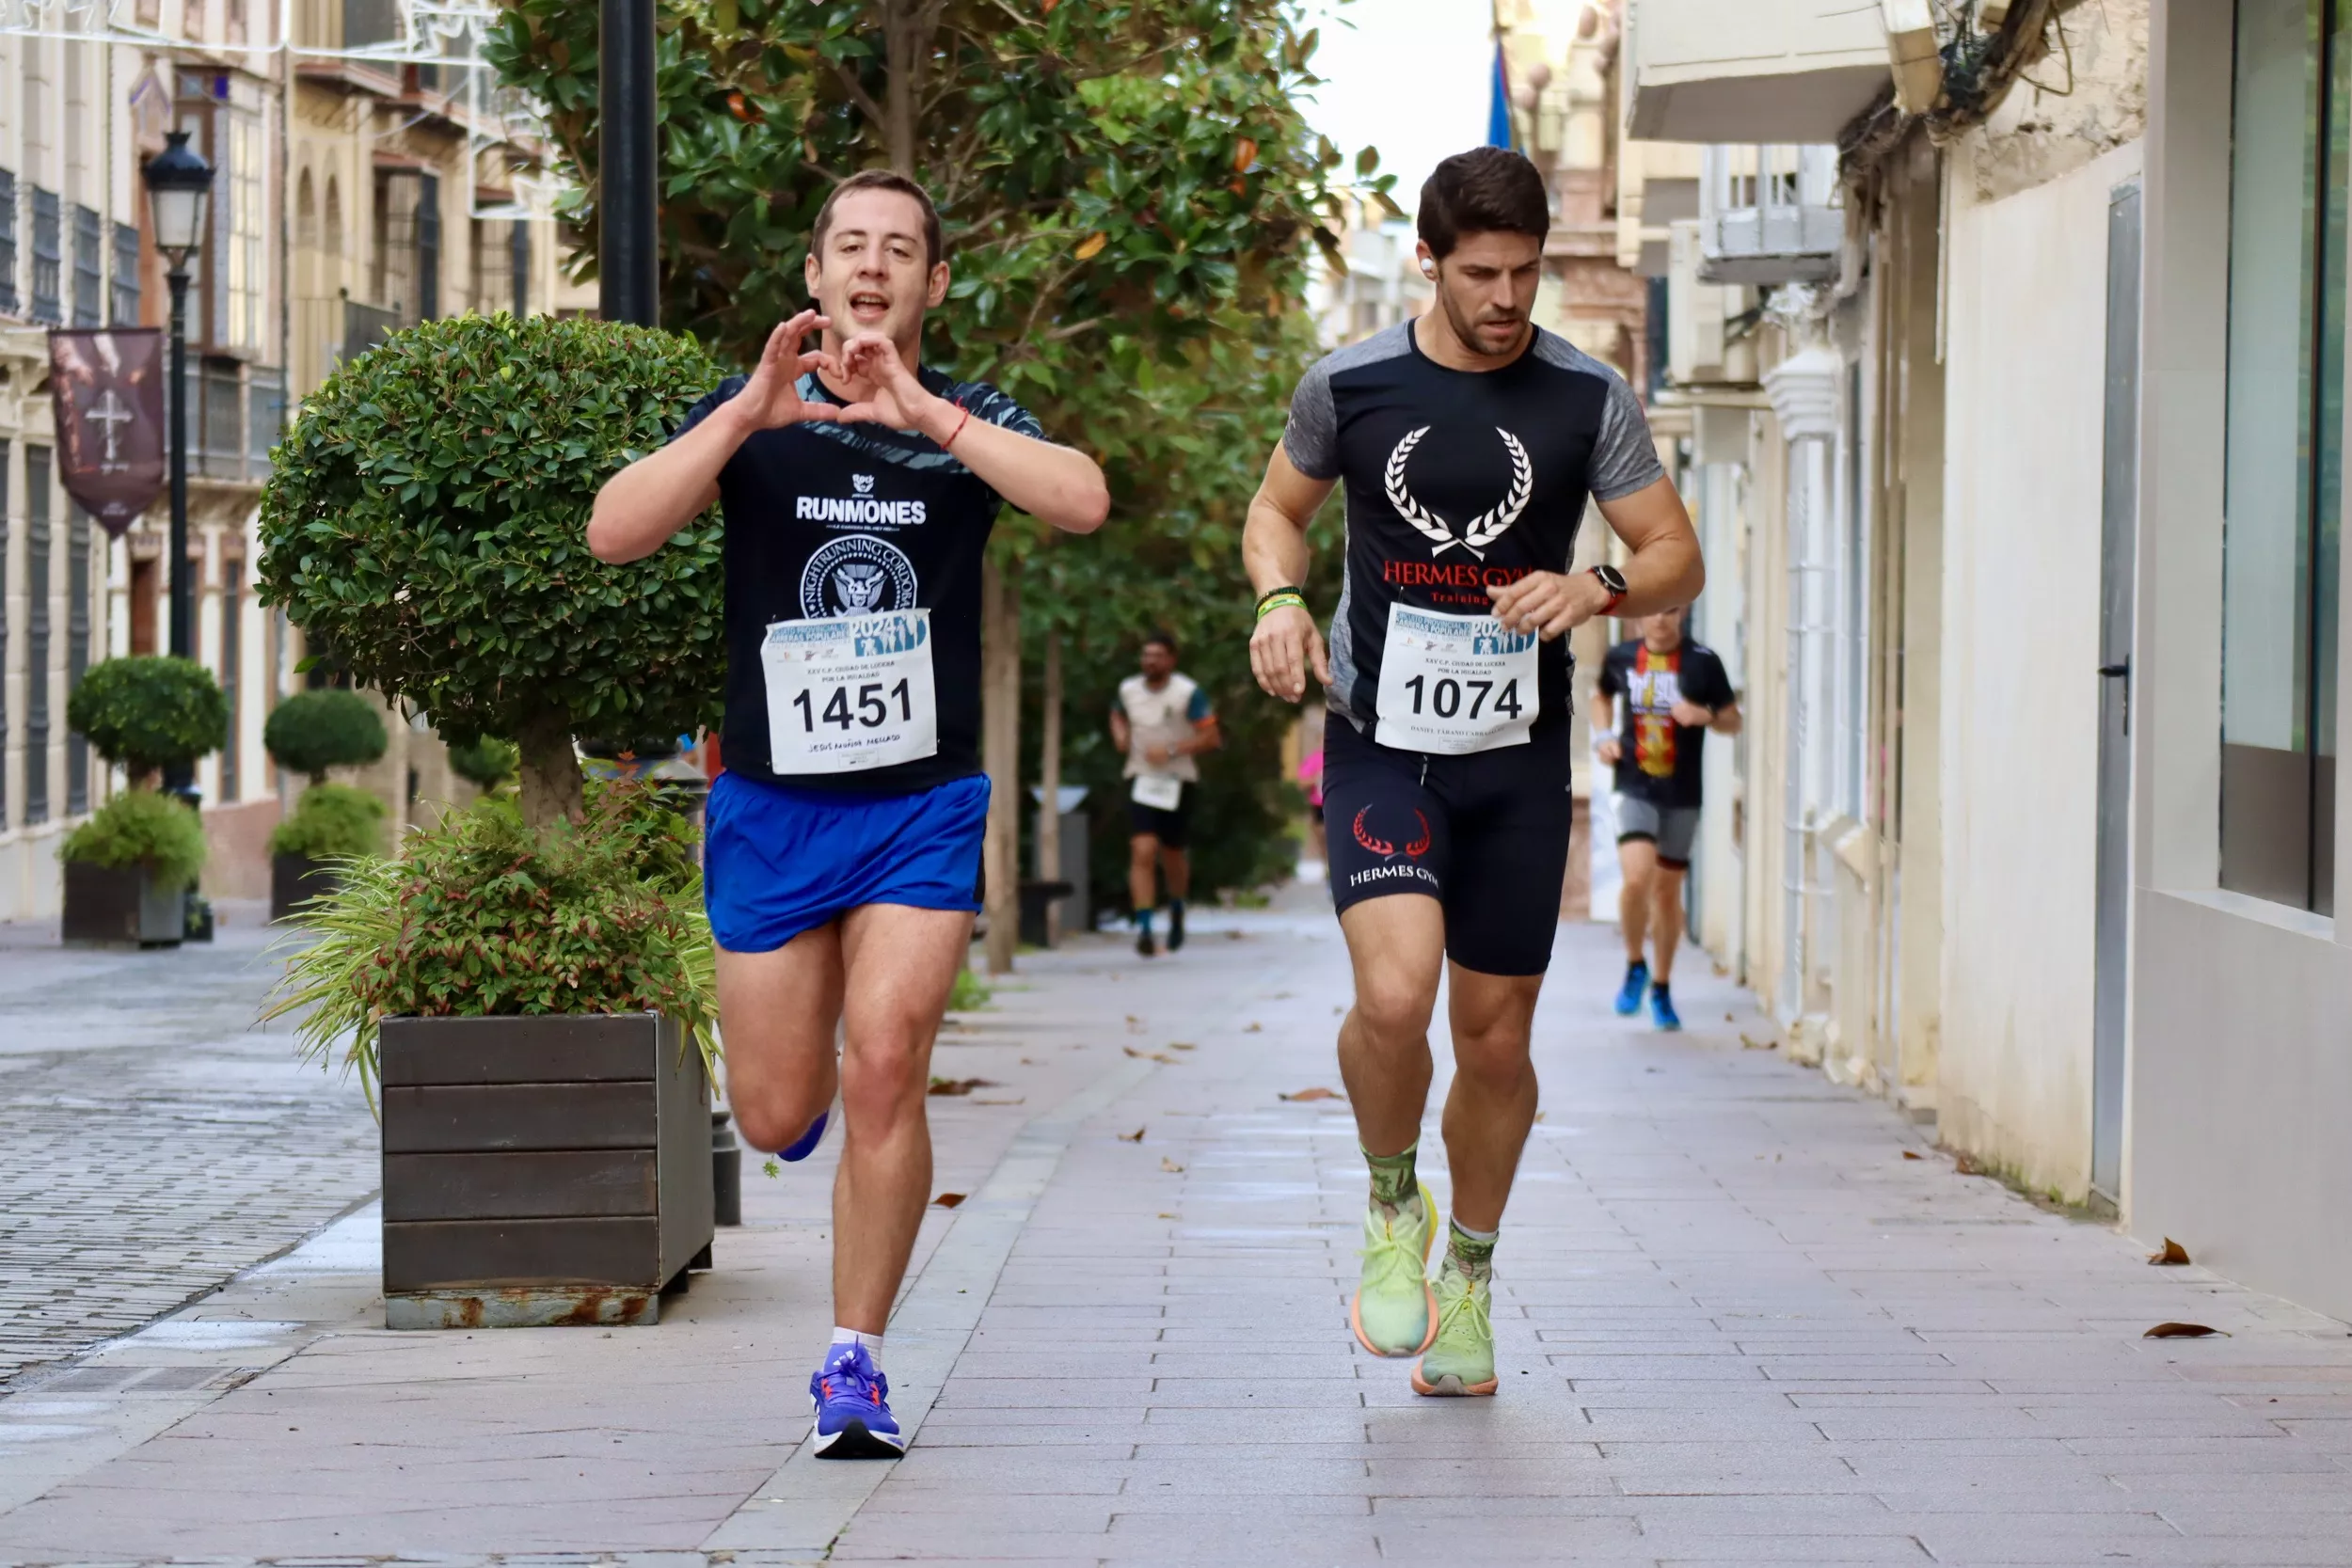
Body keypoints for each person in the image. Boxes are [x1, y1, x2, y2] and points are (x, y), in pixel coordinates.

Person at [587, 170, 1109, 1458]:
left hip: (921, 806)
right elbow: (613, 531)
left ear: (932, 285)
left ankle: (854, 1360)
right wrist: (745, 417)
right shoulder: (754, 414)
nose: (872, 267)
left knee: (887, 1058)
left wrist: (929, 416)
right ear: (813, 276)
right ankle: (803, 1092)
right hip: (771, 806)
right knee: (773, 1113)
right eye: (849, 247)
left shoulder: (965, 415)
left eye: (900, 251)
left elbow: (1084, 497)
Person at [1243, 147, 1703, 1399]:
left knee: (1495, 1043)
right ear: (1432, 263)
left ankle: (1472, 1276)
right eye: (1484, 274)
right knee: (1395, 998)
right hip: (1384, 738)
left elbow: (1674, 552)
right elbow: (1274, 509)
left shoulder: (1582, 395)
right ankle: (1394, 1204)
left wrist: (1595, 581)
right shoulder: (1352, 383)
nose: (1508, 299)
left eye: (1528, 272)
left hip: (1516, 754)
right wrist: (1280, 597)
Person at [1594, 605, 1741, 1032]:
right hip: (1634, 785)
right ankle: (1634, 963)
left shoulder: (1703, 661)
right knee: (1637, 878)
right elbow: (1600, 695)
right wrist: (1604, 737)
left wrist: (1707, 716)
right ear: (1638, 617)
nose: (1660, 619)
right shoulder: (1621, 656)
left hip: (1681, 792)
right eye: (1653, 610)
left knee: (1666, 892)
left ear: (1683, 615)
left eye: (1671, 611)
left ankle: (1660, 984)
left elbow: (1734, 720)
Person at [1111, 631, 1220, 957]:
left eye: (1157, 655)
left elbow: (1211, 736)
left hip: (1177, 780)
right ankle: (1144, 925)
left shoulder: (1188, 693)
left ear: (1171, 660)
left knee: (1172, 854)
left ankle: (1176, 907)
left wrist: (1172, 749)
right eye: (1146, 655)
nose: (1150, 661)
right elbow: (1117, 713)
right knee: (1142, 849)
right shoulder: (1129, 690)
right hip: (1141, 778)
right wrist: (1121, 736)